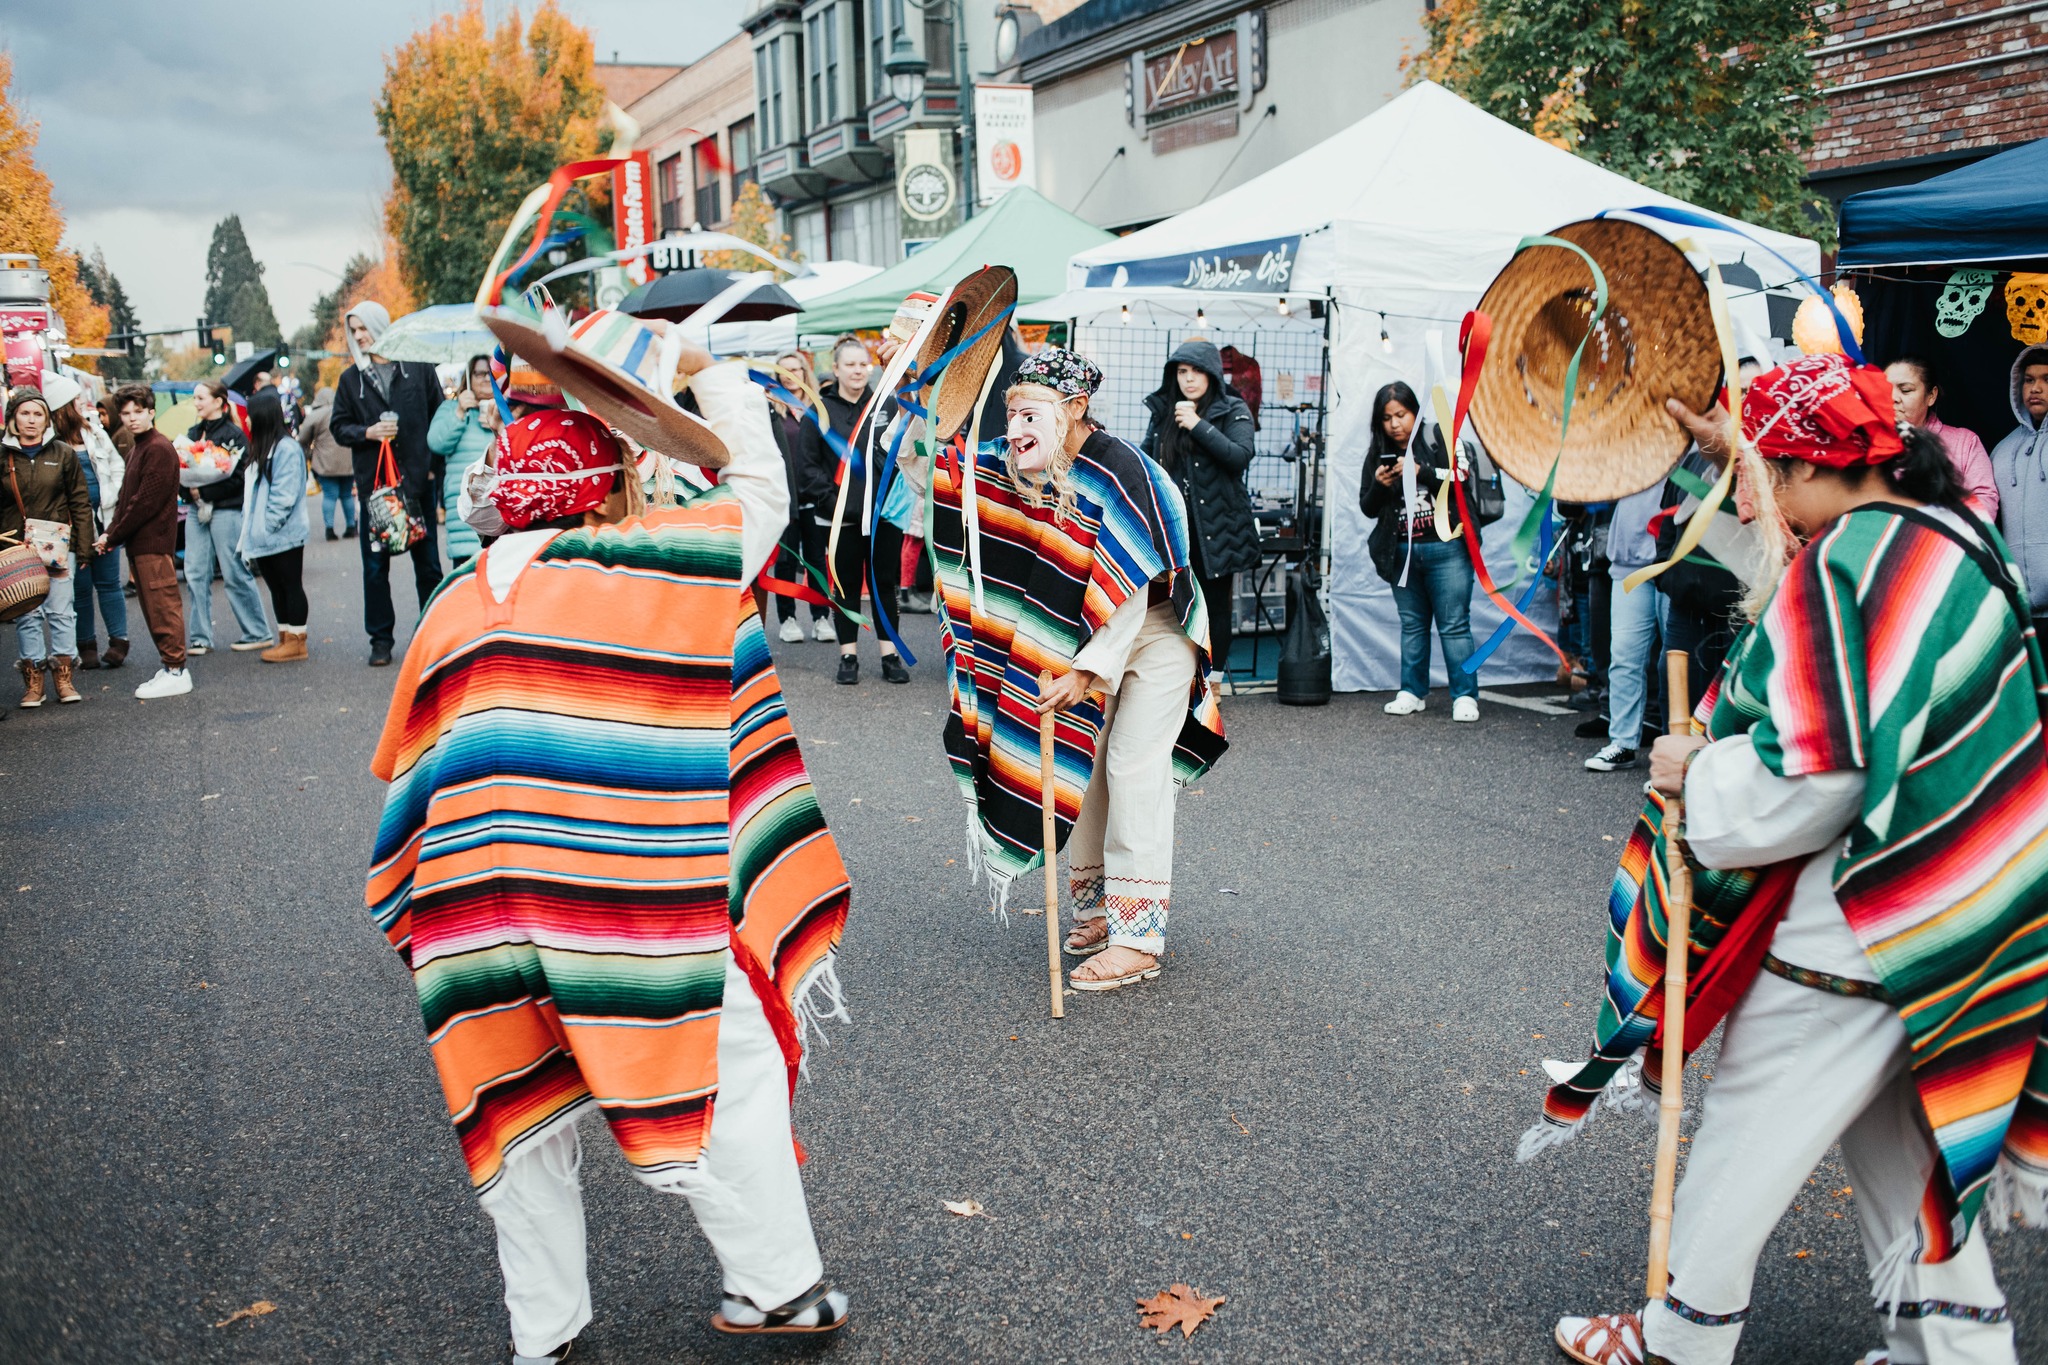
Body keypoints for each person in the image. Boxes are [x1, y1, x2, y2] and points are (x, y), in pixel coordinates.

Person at [1539, 353, 2048, 1365]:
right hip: (1970, 895)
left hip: (1870, 911)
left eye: (1758, 470)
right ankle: (1951, 1353)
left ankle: (1679, 1338)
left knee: (1748, 1117)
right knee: (1899, 1138)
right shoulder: (1939, 532)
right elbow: (1778, 561)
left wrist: (1698, 774)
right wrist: (1724, 449)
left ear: (1807, 466)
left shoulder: (1848, 562)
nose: (1747, 491)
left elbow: (1810, 782)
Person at [367, 317, 852, 1361]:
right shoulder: (659, 572)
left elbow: (408, 768)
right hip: (633, 905)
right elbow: (761, 492)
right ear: (619, 484)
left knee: (523, 1116)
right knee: (728, 1062)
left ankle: (547, 1337)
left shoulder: (457, 601)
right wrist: (707, 372)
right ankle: (779, 1293)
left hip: (474, 912)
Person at [924, 346, 1229, 992]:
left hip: (1158, 635)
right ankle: (1096, 908)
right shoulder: (1029, 464)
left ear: (1076, 408)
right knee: (1085, 767)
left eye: (1028, 412)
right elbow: (950, 477)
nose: (1015, 429)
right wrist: (920, 417)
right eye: (1010, 414)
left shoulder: (1122, 471)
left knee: (1133, 768)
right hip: (1098, 640)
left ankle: (1139, 938)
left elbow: (1139, 581)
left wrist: (1088, 672)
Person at [1357, 382, 1481, 721]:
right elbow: (1367, 507)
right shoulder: (1378, 452)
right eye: (1387, 418)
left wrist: (1420, 471)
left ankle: (1465, 696)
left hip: (1447, 547)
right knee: (1412, 625)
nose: (1395, 424)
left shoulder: (1440, 435)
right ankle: (1412, 691)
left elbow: (1462, 477)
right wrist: (1380, 486)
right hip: (1401, 552)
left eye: (1401, 414)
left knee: (1454, 625)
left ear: (1415, 411)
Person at [330, 301, 443, 666]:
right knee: (376, 568)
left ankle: (431, 633)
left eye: (364, 328)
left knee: (428, 565)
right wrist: (368, 432)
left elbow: (438, 415)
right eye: (354, 331)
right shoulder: (351, 380)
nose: (359, 336)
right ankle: (381, 640)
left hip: (417, 485)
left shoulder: (418, 367)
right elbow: (338, 426)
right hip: (377, 491)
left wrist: (431, 471)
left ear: (381, 325)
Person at [1141, 338, 1259, 671]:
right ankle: (1179, 680)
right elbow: (1147, 463)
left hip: (1219, 528)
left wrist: (1197, 425)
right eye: (1181, 371)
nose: (1189, 379)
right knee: (1170, 607)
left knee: (1215, 607)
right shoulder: (1164, 411)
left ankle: (1215, 683)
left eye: (1197, 371)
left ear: (1212, 375)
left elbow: (1239, 457)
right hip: (1174, 528)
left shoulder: (1233, 409)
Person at [797, 336, 906, 685]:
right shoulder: (819, 411)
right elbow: (808, 466)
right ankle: (849, 656)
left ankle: (890, 656)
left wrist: (887, 502)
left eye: (863, 364)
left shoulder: (886, 407)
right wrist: (834, 502)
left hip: (883, 516)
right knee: (844, 586)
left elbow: (902, 457)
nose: (858, 370)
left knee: (883, 585)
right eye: (850, 364)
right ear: (836, 369)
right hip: (838, 517)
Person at [96, 386, 191, 698]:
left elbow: (143, 502)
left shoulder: (158, 448)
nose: (131, 418)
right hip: (142, 542)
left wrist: (114, 534)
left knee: (162, 606)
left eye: (138, 411)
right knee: (154, 607)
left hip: (154, 541)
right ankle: (170, 667)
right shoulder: (139, 447)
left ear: (151, 411)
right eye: (125, 413)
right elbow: (127, 499)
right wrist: (112, 533)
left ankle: (176, 669)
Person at [3, 388, 94, 705]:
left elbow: (80, 502)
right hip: (15, 547)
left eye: (37, 413)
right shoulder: (3, 455)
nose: (31, 420)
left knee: (61, 612)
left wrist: (84, 547)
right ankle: (33, 682)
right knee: (26, 613)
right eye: (24, 413)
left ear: (47, 419)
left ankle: (64, 678)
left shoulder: (63, 453)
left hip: (56, 545)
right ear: (13, 417)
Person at [180, 377, 271, 655]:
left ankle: (257, 631)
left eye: (200, 398)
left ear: (218, 402)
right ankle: (199, 636)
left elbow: (240, 478)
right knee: (195, 571)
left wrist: (203, 492)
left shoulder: (234, 435)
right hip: (196, 510)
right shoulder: (192, 433)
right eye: (195, 398)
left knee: (233, 571)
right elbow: (181, 468)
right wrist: (189, 493)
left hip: (226, 509)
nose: (196, 403)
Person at [46, 375, 128, 671]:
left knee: (109, 583)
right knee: (79, 587)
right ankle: (86, 644)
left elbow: (117, 466)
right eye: (76, 400)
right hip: (70, 526)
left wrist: (112, 499)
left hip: (104, 519)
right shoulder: (50, 442)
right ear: (64, 407)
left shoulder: (95, 432)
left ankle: (119, 641)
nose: (83, 403)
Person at [1581, 486, 1664, 771]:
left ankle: (1678, 751)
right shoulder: (1628, 443)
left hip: (1676, 556)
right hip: (1629, 559)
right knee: (1624, 657)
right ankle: (1623, 743)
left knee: (1675, 659)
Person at [236, 389, 311, 662]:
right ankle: (285, 637)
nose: (246, 422)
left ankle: (296, 641)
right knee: (277, 587)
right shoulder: (265, 448)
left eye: (249, 417)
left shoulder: (287, 449)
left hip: (283, 534)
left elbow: (284, 495)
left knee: (290, 585)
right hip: (265, 536)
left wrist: (266, 526)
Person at [768, 351, 835, 644]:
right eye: (784, 371)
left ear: (804, 372)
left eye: (795, 369)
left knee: (816, 560)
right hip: (784, 496)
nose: (790, 375)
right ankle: (788, 619)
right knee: (785, 560)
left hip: (815, 496)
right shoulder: (770, 408)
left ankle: (821, 619)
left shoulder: (818, 407)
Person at [1885, 355, 1997, 517]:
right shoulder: (1866, 444)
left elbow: (1985, 500)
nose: (1893, 398)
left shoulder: (1964, 441)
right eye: (1885, 389)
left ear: (1931, 395)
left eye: (1905, 390)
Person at [427, 353, 499, 567]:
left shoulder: (504, 409)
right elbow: (436, 442)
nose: (486, 378)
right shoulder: (452, 408)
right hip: (464, 509)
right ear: (469, 377)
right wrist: (459, 410)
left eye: (491, 373)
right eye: (479, 373)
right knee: (466, 579)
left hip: (497, 506)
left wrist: (499, 425)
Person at [1992, 343, 2048, 612]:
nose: (2035, 388)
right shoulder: (2002, 451)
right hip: (2018, 607)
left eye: (2046, 379)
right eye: (2028, 380)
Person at [301, 384, 355, 540]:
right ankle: (351, 526)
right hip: (348, 462)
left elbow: (304, 438)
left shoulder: (316, 415)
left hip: (325, 462)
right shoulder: (346, 411)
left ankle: (330, 529)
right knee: (346, 494)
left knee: (330, 495)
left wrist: (309, 453)